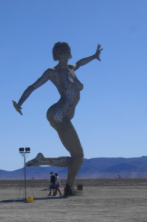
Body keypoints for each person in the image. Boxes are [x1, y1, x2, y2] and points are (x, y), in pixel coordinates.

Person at [12, 42, 103, 188]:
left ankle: (48, 167)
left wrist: (94, 56)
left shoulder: (71, 69)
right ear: (56, 56)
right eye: (60, 54)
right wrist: (20, 103)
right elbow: (33, 86)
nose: (64, 57)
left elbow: (80, 63)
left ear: (69, 54)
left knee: (78, 158)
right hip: (58, 114)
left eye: (66, 53)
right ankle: (61, 181)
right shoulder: (52, 72)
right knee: (78, 155)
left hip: (65, 115)